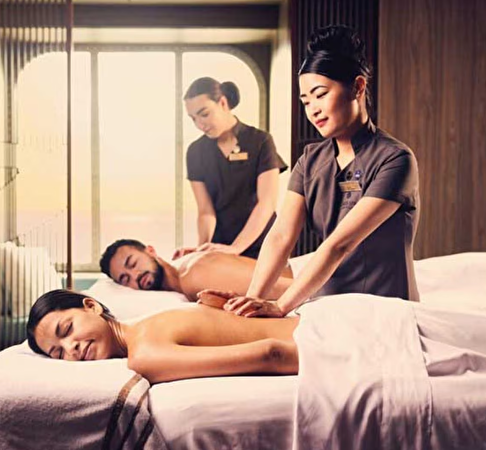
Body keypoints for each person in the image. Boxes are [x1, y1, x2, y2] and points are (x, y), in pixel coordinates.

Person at [207, 25, 420, 318]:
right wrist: (252, 300)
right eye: (306, 101)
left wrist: (281, 306)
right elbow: (281, 236)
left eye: (320, 94)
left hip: (384, 312)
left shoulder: (394, 159)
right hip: (327, 308)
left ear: (358, 87)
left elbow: (340, 244)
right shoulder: (310, 161)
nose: (313, 110)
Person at [26, 289, 299, 384]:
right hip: (310, 320)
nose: (70, 348)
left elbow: (271, 354)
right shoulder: (151, 321)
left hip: (315, 337)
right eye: (58, 353)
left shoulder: (144, 355)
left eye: (67, 330)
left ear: (91, 306)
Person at [173, 77, 288, 260]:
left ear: (223, 103)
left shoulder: (260, 141)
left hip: (262, 245)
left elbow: (266, 203)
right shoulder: (195, 152)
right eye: (193, 118)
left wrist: (236, 248)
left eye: (204, 114)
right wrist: (201, 251)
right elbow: (206, 211)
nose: (200, 124)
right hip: (221, 247)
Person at [99, 238, 293, 301]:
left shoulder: (194, 275)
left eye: (132, 263)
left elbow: (284, 288)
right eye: (125, 279)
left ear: (150, 251)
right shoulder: (181, 277)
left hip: (303, 279)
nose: (135, 276)